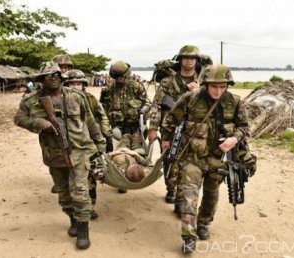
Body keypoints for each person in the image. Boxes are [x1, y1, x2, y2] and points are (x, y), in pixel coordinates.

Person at [14, 61, 106, 250]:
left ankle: (83, 229)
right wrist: (38, 122)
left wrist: (100, 144)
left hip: (79, 151)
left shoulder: (76, 96)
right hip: (53, 153)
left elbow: (90, 122)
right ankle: (72, 218)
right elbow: (19, 119)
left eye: (57, 74)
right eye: (49, 75)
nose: (54, 78)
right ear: (42, 79)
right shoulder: (31, 100)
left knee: (80, 192)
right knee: (64, 194)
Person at [160, 64, 250, 253]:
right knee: (189, 197)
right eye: (214, 86)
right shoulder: (191, 98)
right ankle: (188, 237)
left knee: (211, 196)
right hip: (192, 157)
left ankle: (203, 223)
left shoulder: (234, 102)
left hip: (218, 158)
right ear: (206, 84)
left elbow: (244, 128)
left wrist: (234, 139)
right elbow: (170, 118)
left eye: (222, 87)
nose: (218, 91)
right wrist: (166, 140)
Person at [148, 45, 203, 209]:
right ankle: (171, 188)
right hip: (170, 128)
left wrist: (198, 91)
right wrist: (152, 128)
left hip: (193, 129)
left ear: (196, 60)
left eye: (192, 58)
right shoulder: (168, 81)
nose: (189, 61)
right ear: (180, 60)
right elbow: (156, 105)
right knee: (170, 160)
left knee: (189, 164)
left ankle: (181, 198)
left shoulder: (202, 82)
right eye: (185, 57)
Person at [64, 69, 113, 219]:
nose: (75, 86)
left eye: (78, 83)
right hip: (69, 144)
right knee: (71, 180)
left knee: (91, 178)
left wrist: (105, 133)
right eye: (72, 84)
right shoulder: (60, 100)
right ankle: (75, 209)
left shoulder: (91, 99)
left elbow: (102, 115)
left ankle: (90, 207)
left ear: (83, 85)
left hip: (89, 143)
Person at [99, 60, 151, 193]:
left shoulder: (136, 86)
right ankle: (121, 180)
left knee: (137, 150)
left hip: (136, 126)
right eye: (117, 78)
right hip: (117, 127)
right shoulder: (109, 90)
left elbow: (148, 102)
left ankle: (134, 174)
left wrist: (143, 110)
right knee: (119, 152)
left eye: (122, 77)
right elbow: (103, 109)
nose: (121, 80)